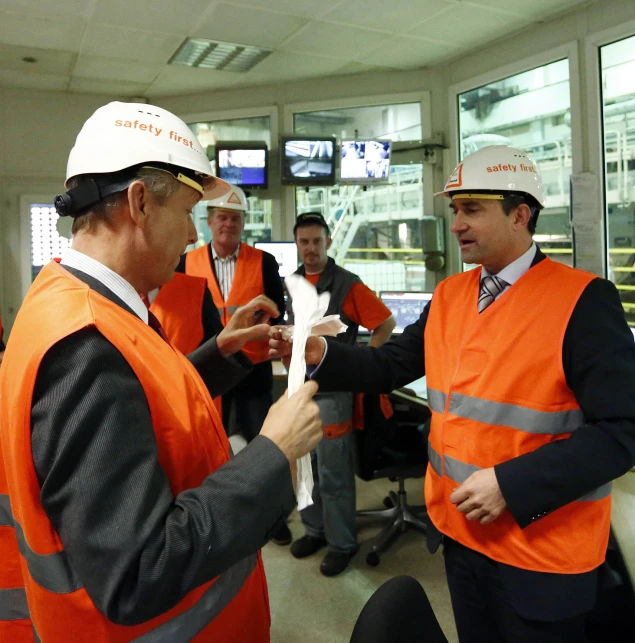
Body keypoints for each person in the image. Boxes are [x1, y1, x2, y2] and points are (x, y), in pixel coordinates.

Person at [271, 145, 635, 641]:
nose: (458, 223)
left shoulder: (584, 301)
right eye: (455, 210)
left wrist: (511, 483)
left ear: (520, 214)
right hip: (461, 536)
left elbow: (623, 430)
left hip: (541, 552)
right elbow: (391, 364)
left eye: (473, 209)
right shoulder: (450, 295)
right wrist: (321, 353)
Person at [0, 101, 323, 643]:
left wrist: (222, 353)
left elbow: (137, 404)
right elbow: (138, 571)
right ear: (141, 202)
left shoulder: (73, 301)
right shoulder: (84, 347)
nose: (195, 237)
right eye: (190, 213)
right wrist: (272, 453)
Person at [180, 184, 292, 545]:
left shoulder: (264, 262)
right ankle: (217, 516)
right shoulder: (186, 262)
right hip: (209, 369)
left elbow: (279, 309)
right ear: (210, 222)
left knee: (264, 444)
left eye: (235, 218)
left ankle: (273, 517)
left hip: (252, 366)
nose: (228, 224)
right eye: (222, 218)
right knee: (211, 444)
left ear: (243, 224)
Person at [288, 212, 395, 577]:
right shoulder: (292, 283)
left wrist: (364, 361)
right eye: (304, 242)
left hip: (333, 393)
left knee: (333, 473)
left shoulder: (348, 285)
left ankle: (342, 544)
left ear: (328, 242)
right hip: (299, 390)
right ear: (297, 244)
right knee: (305, 468)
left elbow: (384, 323)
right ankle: (315, 530)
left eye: (317, 241)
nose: (311, 249)